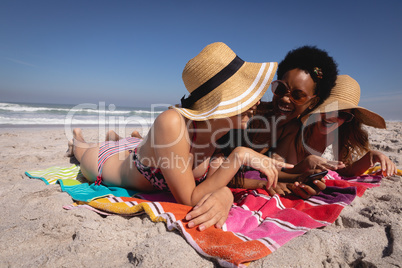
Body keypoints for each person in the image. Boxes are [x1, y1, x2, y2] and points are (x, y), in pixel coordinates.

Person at [67, 42, 293, 231]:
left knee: (133, 142)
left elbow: (220, 180)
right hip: (105, 162)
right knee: (81, 151)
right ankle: (78, 137)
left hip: (140, 152)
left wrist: (281, 179)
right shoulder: (172, 122)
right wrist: (240, 155)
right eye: (246, 96)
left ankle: (116, 137)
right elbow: (189, 199)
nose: (256, 102)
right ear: (221, 103)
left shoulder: (220, 132)